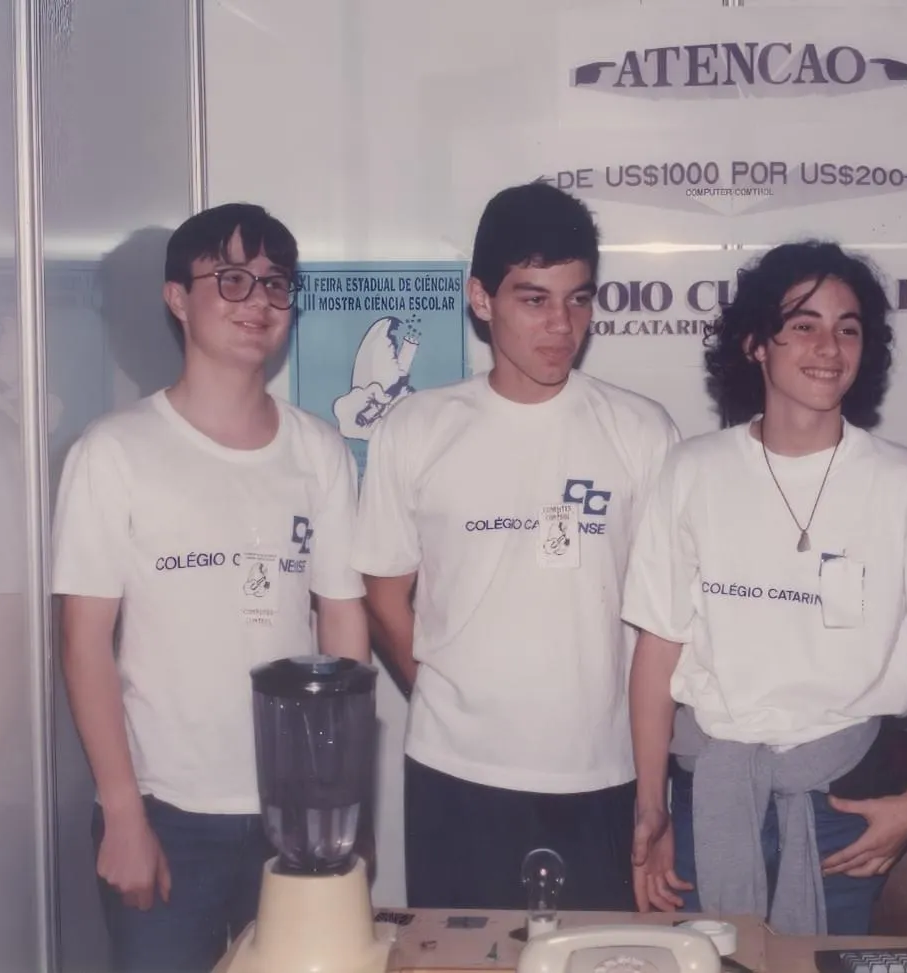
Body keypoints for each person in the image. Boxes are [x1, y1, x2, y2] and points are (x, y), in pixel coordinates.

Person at [624, 241, 907, 936]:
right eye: (802, 323)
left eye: (848, 326)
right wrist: (652, 806)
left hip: (843, 812)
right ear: (754, 344)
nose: (828, 345)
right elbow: (657, 649)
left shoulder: (901, 483)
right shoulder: (692, 472)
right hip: (707, 796)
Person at [51, 203, 370, 973]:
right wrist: (122, 810)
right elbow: (83, 642)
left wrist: (341, 802)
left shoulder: (317, 450)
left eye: (275, 284)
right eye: (230, 278)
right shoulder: (115, 451)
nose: (257, 300)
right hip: (166, 812)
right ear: (175, 297)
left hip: (295, 819)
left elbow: (343, 624)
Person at [353, 181, 680, 911]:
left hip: (605, 773)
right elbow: (381, 590)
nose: (560, 324)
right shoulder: (417, 427)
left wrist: (654, 790)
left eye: (578, 298)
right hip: (454, 772)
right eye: (533, 298)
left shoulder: (641, 431)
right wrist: (445, 692)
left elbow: (664, 620)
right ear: (480, 298)